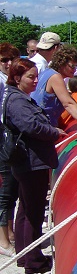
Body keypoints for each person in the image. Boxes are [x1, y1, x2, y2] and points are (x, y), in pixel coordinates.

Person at [4, 58, 65, 274]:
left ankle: (24, 253)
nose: (35, 81)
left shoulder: (17, 97)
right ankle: (33, 259)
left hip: (28, 162)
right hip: (31, 162)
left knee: (26, 209)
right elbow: (30, 126)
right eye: (31, 77)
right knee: (34, 211)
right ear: (17, 77)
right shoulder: (17, 101)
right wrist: (53, 132)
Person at [31, 45, 77, 130]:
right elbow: (68, 103)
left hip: (37, 122)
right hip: (42, 126)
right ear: (61, 63)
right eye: (72, 66)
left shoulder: (47, 72)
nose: (75, 70)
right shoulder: (55, 77)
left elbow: (68, 99)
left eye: (76, 66)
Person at [0, 44, 21, 256]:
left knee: (11, 191)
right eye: (4, 60)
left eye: (11, 60)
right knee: (5, 193)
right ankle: (4, 241)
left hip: (7, 140)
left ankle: (10, 234)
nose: (8, 63)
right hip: (3, 142)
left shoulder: (6, 83)